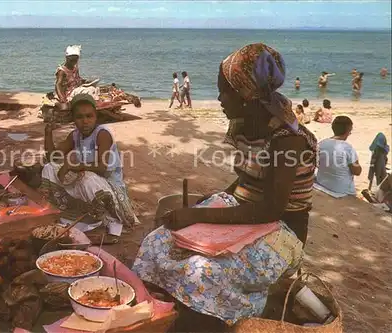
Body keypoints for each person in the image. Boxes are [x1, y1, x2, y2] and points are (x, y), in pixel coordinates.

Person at [133, 43, 317, 327]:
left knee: (203, 271)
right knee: (158, 241)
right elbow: (248, 179)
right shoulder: (247, 124)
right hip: (248, 213)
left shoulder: (287, 140)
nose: (219, 98)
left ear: (246, 95)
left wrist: (198, 214)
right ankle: (171, 311)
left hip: (282, 230)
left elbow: (271, 209)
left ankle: (213, 321)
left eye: (224, 90)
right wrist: (216, 197)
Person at [41, 94, 139, 230]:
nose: (85, 121)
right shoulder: (75, 135)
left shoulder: (102, 134)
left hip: (110, 189)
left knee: (87, 177)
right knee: (49, 168)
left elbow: (102, 168)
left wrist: (71, 166)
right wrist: (48, 134)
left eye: (89, 116)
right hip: (89, 183)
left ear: (96, 117)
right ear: (73, 119)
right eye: (79, 117)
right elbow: (53, 157)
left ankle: (107, 219)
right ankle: (67, 208)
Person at [316, 116, 362, 196]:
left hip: (322, 184)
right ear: (348, 130)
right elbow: (357, 172)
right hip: (341, 190)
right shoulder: (347, 148)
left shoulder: (321, 144)